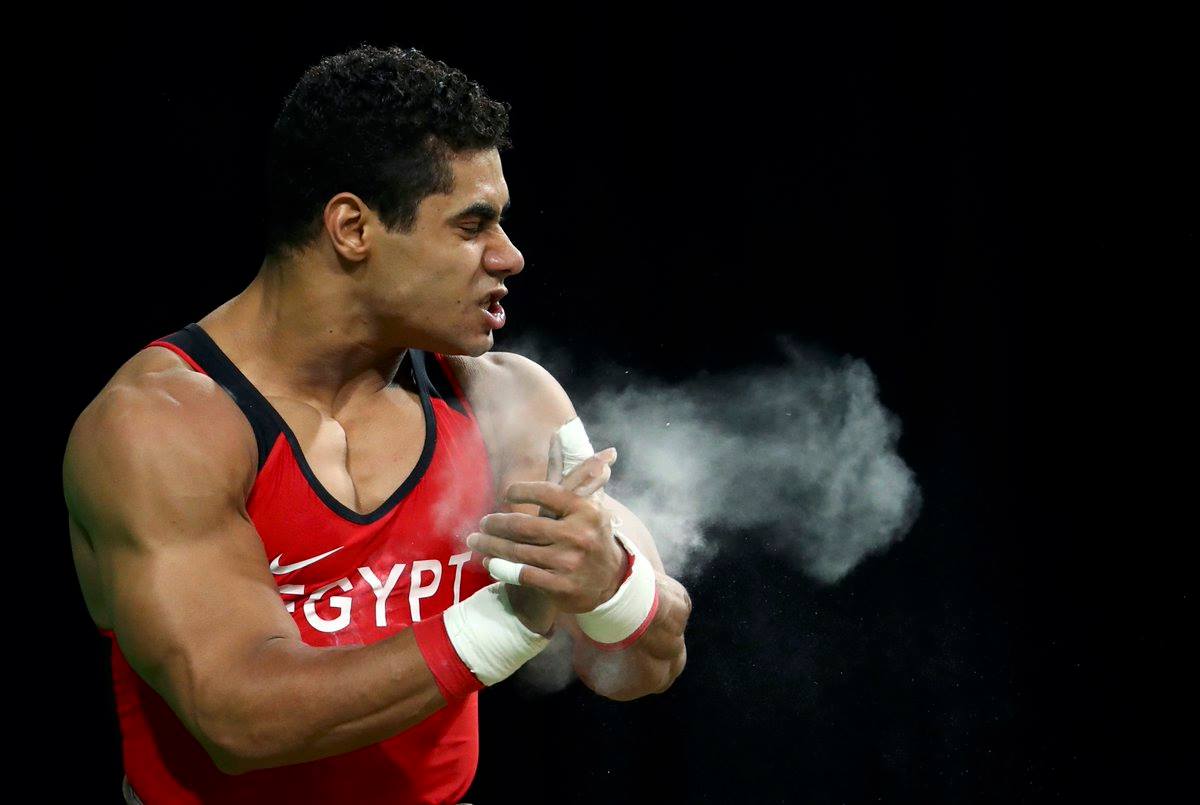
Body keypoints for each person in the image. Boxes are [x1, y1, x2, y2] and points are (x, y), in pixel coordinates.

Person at [61, 44, 691, 804]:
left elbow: (645, 664)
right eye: (473, 225)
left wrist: (613, 585)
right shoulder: (163, 425)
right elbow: (238, 720)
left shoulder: (506, 403)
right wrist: (508, 624)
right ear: (353, 228)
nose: (511, 257)